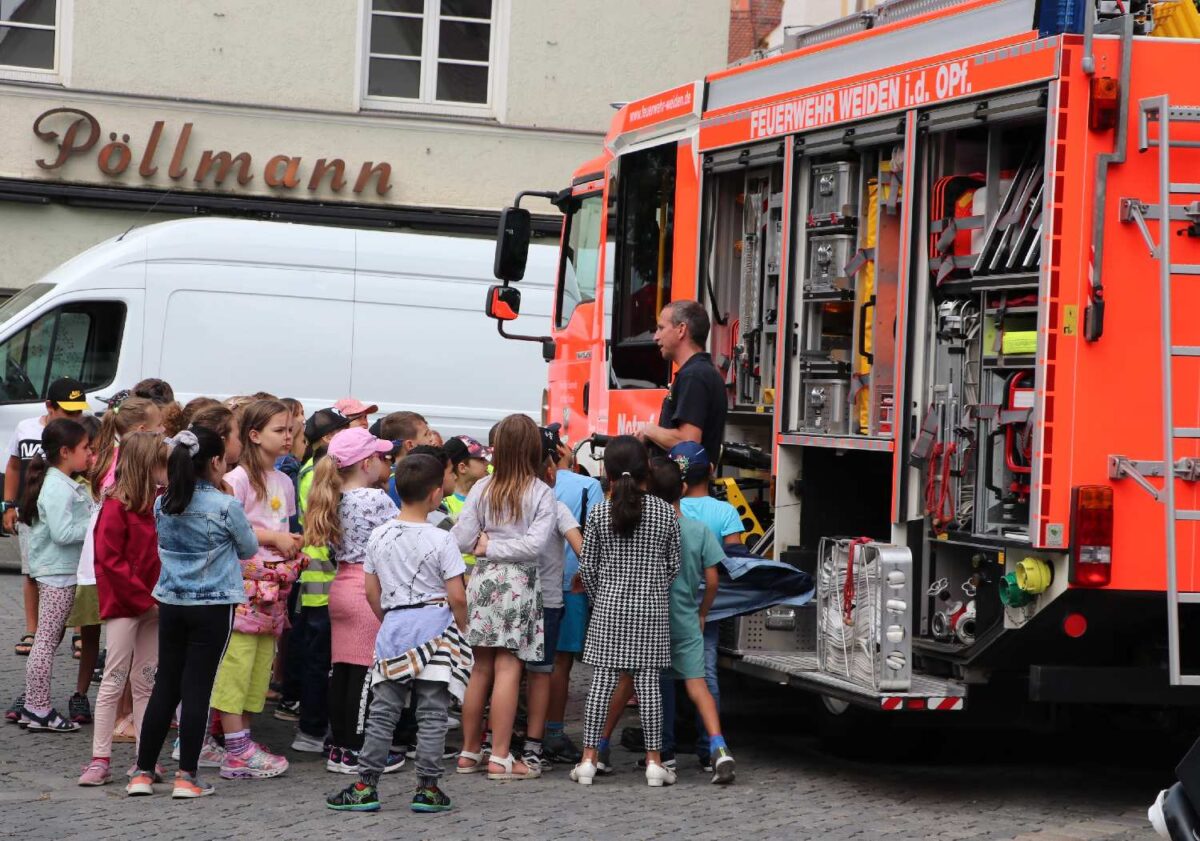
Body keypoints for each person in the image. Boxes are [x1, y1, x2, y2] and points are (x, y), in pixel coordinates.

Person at [326, 454, 471, 814]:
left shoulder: (379, 535)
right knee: (433, 713)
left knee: (383, 712)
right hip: (436, 630)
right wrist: (462, 626)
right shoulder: (442, 539)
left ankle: (365, 785)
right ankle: (428, 788)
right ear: (436, 494)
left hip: (394, 629)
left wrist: (389, 619)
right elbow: (457, 595)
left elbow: (371, 592)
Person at [128, 425, 258, 799]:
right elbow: (248, 548)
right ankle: (187, 776)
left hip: (171, 602)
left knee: (166, 684)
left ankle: (142, 772)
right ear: (215, 462)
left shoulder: (162, 503)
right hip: (213, 605)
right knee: (198, 686)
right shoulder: (225, 505)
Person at [596, 457, 736, 784]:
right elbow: (712, 581)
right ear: (683, 489)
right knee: (697, 685)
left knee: (627, 681)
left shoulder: (645, 529)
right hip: (686, 619)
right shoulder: (698, 530)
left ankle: (600, 748)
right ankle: (718, 747)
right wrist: (702, 613)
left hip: (648, 620)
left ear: (646, 490)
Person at [569, 435, 679, 788]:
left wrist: (602, 597)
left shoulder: (600, 513)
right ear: (647, 468)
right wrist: (653, 590)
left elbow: (588, 568)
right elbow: (673, 566)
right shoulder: (665, 512)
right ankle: (654, 762)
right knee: (649, 686)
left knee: (601, 683)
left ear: (609, 472)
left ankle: (588, 760)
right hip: (651, 609)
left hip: (609, 608)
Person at [452, 414, 555, 781]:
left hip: (482, 580)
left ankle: (468, 751)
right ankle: (500, 756)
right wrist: (498, 546)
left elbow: (461, 539)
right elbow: (534, 546)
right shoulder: (540, 492)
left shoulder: (482, 487)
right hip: (518, 584)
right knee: (509, 667)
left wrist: (486, 545)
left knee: (480, 668)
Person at [304, 427, 406, 775]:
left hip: (341, 587)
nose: (385, 462)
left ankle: (339, 747)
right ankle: (358, 751)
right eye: (380, 457)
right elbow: (399, 537)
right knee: (364, 673)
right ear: (366, 463)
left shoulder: (334, 497)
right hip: (368, 589)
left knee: (342, 671)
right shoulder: (374, 499)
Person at [212, 399, 303, 780]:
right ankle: (234, 748)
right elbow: (227, 527)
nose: (288, 437)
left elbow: (283, 526)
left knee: (259, 668)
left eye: (290, 430)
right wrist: (274, 538)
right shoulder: (237, 480)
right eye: (279, 430)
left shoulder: (284, 480)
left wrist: (292, 544)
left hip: (274, 590)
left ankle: (243, 741)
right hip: (243, 590)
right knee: (236, 664)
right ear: (254, 435)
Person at [78, 433, 169, 786]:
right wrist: (148, 599)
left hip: (152, 603)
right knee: (114, 680)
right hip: (127, 604)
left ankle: (144, 758)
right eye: (160, 463)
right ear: (148, 465)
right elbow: (110, 560)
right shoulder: (116, 506)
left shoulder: (157, 504)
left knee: (145, 680)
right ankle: (99, 758)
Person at [72, 396, 164, 726]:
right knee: (115, 671)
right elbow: (112, 555)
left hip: (139, 594)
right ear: (141, 431)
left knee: (141, 674)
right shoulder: (119, 492)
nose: (164, 432)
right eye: (159, 427)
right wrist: (144, 599)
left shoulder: (146, 491)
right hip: (122, 593)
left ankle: (133, 729)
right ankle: (116, 725)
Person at [670, 440, 744, 770]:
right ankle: (708, 747)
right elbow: (736, 563)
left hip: (669, 601)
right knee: (705, 674)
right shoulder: (725, 512)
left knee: (660, 675)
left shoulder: (669, 509)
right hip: (707, 607)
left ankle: (663, 748)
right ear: (711, 470)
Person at [274, 407, 351, 724]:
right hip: (321, 573)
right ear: (330, 437)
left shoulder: (314, 469)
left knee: (312, 644)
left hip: (320, 572)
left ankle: (305, 709)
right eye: (346, 429)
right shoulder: (317, 474)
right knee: (315, 649)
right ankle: (307, 714)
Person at [16, 417, 92, 732]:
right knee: (46, 640)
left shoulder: (59, 482)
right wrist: (94, 524)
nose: (90, 454)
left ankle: (34, 706)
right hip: (58, 572)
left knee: (47, 638)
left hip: (57, 570)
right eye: (85, 448)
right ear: (65, 451)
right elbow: (62, 533)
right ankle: (37, 708)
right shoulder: (58, 486)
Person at [4, 377, 87, 659]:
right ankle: (33, 628)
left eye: (79, 411)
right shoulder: (26, 428)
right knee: (31, 571)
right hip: (32, 513)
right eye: (69, 411)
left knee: (76, 572)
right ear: (50, 406)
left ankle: (78, 630)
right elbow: (14, 466)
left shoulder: (82, 433)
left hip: (69, 511)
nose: (75, 416)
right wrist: (8, 505)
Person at [520, 426, 584, 771]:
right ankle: (543, 739)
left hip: (510, 597)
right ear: (550, 471)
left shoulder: (502, 500)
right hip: (549, 599)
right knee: (546, 670)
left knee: (506, 670)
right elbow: (583, 549)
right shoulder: (557, 507)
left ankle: (491, 742)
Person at [543, 428, 603, 765]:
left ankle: (521, 730)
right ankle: (553, 731)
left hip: (524, 584)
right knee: (561, 663)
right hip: (571, 583)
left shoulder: (507, 485)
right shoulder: (587, 486)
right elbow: (593, 538)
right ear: (560, 451)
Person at [637, 300, 727, 468]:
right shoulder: (703, 372)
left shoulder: (694, 376)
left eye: (661, 328)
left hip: (682, 483)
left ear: (681, 330)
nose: (656, 337)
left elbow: (689, 441)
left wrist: (649, 431)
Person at [441, 435, 491, 569]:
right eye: (481, 459)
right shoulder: (443, 503)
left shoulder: (489, 493)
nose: (487, 463)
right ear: (462, 468)